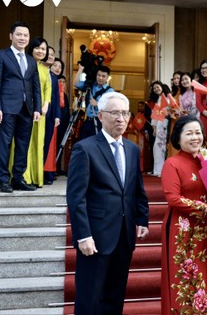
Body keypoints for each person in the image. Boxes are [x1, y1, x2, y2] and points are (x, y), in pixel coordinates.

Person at [66, 91, 149, 314]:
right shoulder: (85, 148)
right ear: (101, 116)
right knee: (89, 297)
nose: (121, 118)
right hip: (95, 237)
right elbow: (76, 197)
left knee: (115, 296)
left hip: (123, 235)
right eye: (114, 113)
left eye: (125, 113)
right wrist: (83, 235)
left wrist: (142, 217)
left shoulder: (132, 149)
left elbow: (135, 188)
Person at [160, 115, 207, 314]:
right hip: (180, 230)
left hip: (202, 229)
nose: (195, 137)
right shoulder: (172, 164)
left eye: (198, 132)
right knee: (180, 280)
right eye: (189, 133)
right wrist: (206, 208)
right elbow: (173, 199)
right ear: (178, 138)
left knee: (200, 279)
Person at [0, 21, 41, 193]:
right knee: (5, 144)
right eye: (19, 34)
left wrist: (37, 109)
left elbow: (36, 86)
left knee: (23, 145)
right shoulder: (1, 55)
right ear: (11, 36)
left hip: (27, 109)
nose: (22, 38)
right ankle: (3, 180)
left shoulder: (31, 60)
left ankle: (18, 178)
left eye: (26, 35)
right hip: (7, 108)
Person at [14, 36, 51, 189]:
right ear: (32, 48)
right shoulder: (25, 64)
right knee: (24, 144)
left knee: (38, 143)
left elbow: (47, 88)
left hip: (40, 112)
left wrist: (46, 104)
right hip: (25, 110)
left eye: (43, 48)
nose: (41, 51)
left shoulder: (45, 68)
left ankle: (36, 177)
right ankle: (23, 177)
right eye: (38, 48)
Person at [73, 63, 114, 140]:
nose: (100, 78)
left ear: (107, 77)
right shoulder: (91, 85)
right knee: (83, 142)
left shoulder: (110, 91)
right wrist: (80, 69)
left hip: (100, 122)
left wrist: (97, 104)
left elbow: (111, 107)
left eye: (103, 76)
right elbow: (75, 84)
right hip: (88, 120)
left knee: (96, 145)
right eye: (98, 75)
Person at [42, 46, 61, 185]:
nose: (50, 56)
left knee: (46, 146)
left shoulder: (54, 77)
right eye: (48, 54)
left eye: (53, 54)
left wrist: (57, 116)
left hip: (50, 116)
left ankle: (42, 174)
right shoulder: (37, 70)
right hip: (38, 114)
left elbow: (55, 97)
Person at [147, 81, 171, 177]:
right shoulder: (158, 99)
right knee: (157, 147)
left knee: (163, 147)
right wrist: (154, 128)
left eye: (158, 87)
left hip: (166, 123)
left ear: (162, 86)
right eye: (154, 88)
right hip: (159, 124)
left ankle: (163, 170)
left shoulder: (168, 97)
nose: (156, 89)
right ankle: (157, 170)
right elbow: (155, 116)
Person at [195, 59, 207, 137]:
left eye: (206, 68)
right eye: (202, 68)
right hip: (205, 115)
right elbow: (198, 103)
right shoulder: (200, 84)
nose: (204, 70)